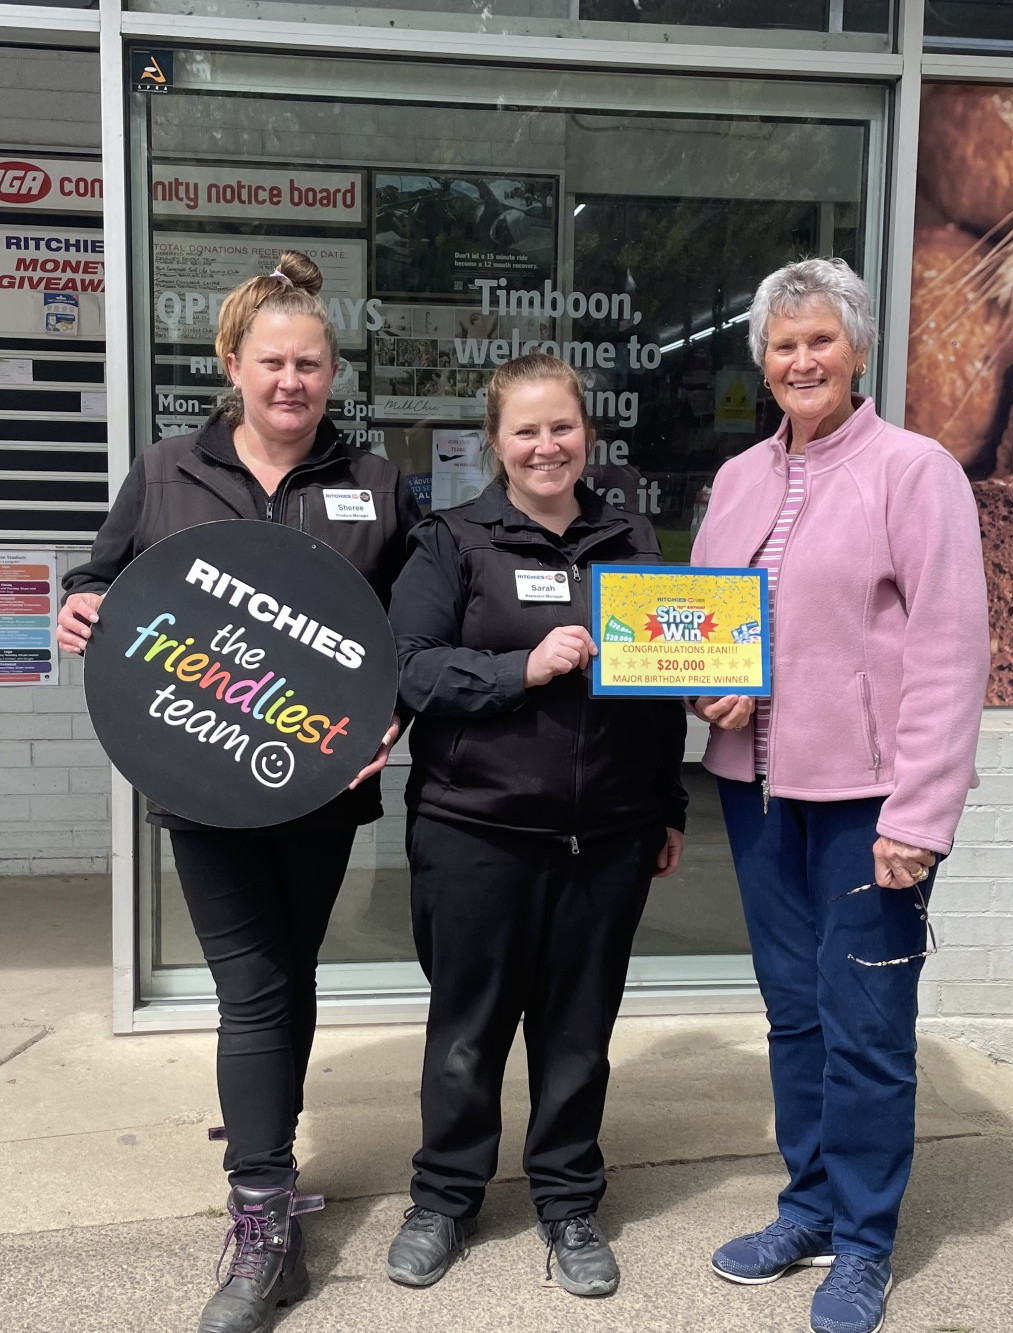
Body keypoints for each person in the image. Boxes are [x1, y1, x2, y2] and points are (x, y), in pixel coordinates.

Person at [56, 252, 421, 1333]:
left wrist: (391, 714)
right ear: (233, 363)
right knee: (251, 985)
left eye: (309, 364)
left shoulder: (374, 480)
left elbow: (408, 625)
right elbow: (101, 574)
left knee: (287, 971)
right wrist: (78, 606)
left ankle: (269, 1155)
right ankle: (261, 1214)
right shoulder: (169, 470)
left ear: (331, 371)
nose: (291, 381)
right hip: (203, 777)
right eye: (272, 362)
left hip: (319, 785)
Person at [689, 258, 988, 1333]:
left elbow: (953, 653)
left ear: (855, 351)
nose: (799, 359)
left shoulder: (914, 473)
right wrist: (707, 692)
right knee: (792, 1017)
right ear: (759, 360)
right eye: (780, 343)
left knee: (865, 1023)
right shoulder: (733, 481)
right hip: (756, 793)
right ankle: (807, 1204)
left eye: (818, 340)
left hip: (869, 803)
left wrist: (919, 816)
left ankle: (863, 1239)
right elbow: (703, 628)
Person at [383, 353, 687, 1299]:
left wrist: (667, 804)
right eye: (527, 429)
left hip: (609, 839)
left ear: (586, 433)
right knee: (467, 1030)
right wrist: (523, 671)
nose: (546, 445)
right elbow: (408, 667)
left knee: (578, 1034)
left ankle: (568, 1200)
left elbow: (659, 690)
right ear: (495, 443)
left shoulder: (630, 540)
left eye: (562, 426)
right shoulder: (452, 541)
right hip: (476, 831)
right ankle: (444, 1197)